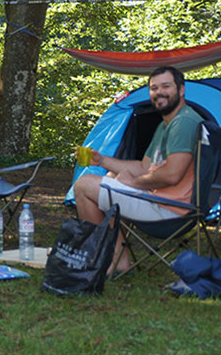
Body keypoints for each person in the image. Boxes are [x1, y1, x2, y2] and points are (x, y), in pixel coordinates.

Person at [73, 66, 203, 276]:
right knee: (110, 177)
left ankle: (105, 258)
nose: (159, 92)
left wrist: (134, 183)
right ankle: (118, 261)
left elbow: (172, 175)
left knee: (83, 185)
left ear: (181, 90)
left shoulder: (184, 122)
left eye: (166, 86)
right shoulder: (167, 124)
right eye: (154, 88)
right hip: (159, 201)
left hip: (170, 210)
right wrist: (102, 160)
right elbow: (143, 167)